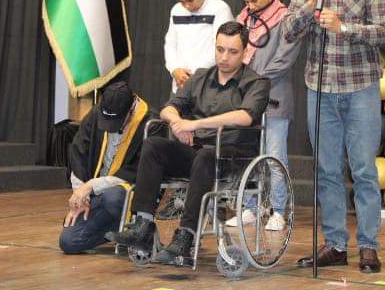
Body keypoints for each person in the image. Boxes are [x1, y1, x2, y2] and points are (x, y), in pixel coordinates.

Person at [106, 21, 270, 266]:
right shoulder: (201, 77)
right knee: (154, 145)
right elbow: (168, 108)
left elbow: (245, 116)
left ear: (245, 52)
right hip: (199, 153)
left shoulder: (257, 82)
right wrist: (177, 124)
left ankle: (186, 235)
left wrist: (193, 124)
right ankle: (143, 224)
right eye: (220, 49)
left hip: (234, 157)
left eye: (232, 51)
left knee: (206, 155)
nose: (224, 57)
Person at [283, 0, 385, 273]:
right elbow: (288, 32)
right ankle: (335, 245)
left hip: (360, 87)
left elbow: (384, 33)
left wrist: (343, 27)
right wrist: (311, 1)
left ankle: (369, 246)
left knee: (363, 170)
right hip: (320, 87)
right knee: (326, 170)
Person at [224, 0, 300, 231]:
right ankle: (250, 207)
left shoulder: (286, 18)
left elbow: (284, 60)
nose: (250, 6)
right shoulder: (244, 18)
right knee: (247, 154)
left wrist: (253, 80)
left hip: (274, 97)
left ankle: (279, 211)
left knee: (274, 158)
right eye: (246, 2)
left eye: (255, 1)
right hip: (246, 99)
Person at [59, 81, 160, 254]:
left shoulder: (152, 123)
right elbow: (78, 154)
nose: (110, 128)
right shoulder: (97, 112)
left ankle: (140, 227)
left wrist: (91, 186)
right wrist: (81, 197)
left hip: (127, 195)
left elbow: (139, 171)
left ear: (131, 109)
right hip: (97, 196)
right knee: (68, 241)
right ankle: (119, 232)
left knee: (113, 197)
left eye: (116, 122)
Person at [164, 0, 234, 93]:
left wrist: (196, 74)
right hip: (180, 85)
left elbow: (223, 47)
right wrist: (174, 69)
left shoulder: (220, 8)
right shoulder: (176, 10)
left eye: (190, 0)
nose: (186, 6)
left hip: (210, 86)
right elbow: (170, 43)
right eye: (182, 1)